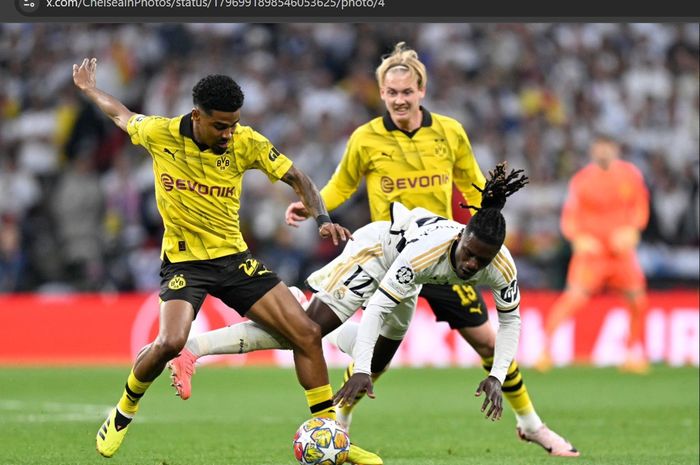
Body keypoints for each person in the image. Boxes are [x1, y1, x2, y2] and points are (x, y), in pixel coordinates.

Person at [71, 58, 384, 464]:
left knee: (306, 333)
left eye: (234, 123)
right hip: (184, 265)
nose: (229, 133)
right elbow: (121, 113)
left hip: (234, 259)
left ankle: (331, 439)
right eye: (221, 125)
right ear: (197, 116)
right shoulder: (160, 133)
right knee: (170, 341)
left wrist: (322, 219)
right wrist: (91, 89)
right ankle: (123, 411)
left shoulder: (245, 141)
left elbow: (299, 179)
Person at [282, 42, 579, 456]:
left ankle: (530, 424)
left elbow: (475, 185)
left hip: (447, 257)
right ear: (382, 94)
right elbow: (342, 184)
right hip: (392, 256)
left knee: (490, 344)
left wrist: (492, 210)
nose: (400, 99)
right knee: (378, 356)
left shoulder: (450, 132)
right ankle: (340, 430)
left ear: (421, 90)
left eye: (407, 92)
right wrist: (313, 205)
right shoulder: (365, 138)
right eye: (392, 93)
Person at [172, 163, 578, 457]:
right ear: (463, 235)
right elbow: (378, 309)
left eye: (481, 261)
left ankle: (305, 314)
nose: (473, 265)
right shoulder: (426, 254)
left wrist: (495, 374)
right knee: (302, 334)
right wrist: (360, 369)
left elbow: (510, 322)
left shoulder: (502, 266)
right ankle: (195, 346)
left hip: (412, 281)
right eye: (469, 254)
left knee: (380, 355)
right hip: (377, 252)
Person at [535, 133, 651, 374]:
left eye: (607, 147)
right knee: (573, 299)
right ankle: (544, 350)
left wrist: (633, 230)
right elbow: (569, 216)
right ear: (592, 151)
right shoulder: (582, 181)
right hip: (593, 253)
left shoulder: (630, 175)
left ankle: (632, 353)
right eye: (599, 148)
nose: (603, 152)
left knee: (638, 300)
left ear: (615, 149)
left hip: (621, 253)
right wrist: (579, 238)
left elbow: (640, 207)